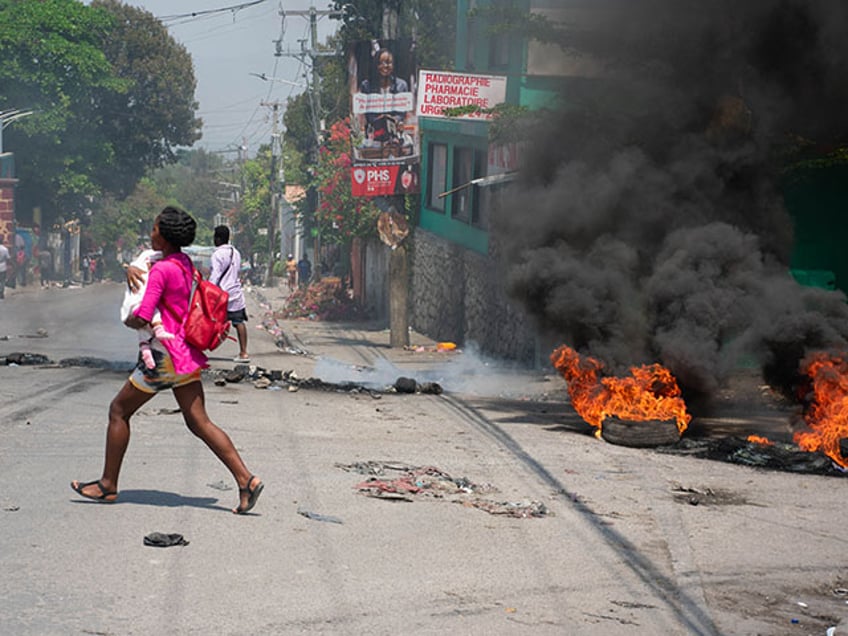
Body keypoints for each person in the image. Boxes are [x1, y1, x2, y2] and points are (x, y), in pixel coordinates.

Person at [71, 206, 263, 515]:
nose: (151, 233)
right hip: (184, 353)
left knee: (118, 411)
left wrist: (129, 317)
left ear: (165, 235)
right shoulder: (183, 263)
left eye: (155, 229)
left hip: (162, 357)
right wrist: (127, 269)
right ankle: (246, 480)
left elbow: (144, 315)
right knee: (199, 421)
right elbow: (145, 262)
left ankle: (108, 485)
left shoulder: (161, 271)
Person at [119, 249, 175, 369]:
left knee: (144, 333)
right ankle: (145, 358)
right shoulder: (147, 267)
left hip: (164, 321)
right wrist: (131, 268)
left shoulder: (174, 262)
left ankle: (145, 355)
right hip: (148, 313)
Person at [210, 225, 250, 364]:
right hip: (235, 292)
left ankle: (198, 349)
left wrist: (209, 289)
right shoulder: (236, 252)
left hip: (221, 294)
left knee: (208, 320)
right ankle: (244, 352)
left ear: (218, 238)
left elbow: (215, 274)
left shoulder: (217, 254)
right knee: (239, 322)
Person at [0, 235, 10, 299]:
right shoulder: (5, 249)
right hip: (3, 266)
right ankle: (1, 292)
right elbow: (8, 258)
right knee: (3, 280)